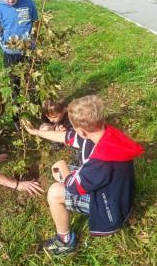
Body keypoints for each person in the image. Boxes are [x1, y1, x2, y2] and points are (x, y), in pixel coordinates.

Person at [23, 95, 144, 254]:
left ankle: (64, 241)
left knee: (54, 192)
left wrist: (62, 165)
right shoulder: (103, 133)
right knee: (62, 174)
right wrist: (36, 132)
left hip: (110, 209)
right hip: (116, 192)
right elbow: (66, 137)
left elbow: (74, 187)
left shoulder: (101, 160)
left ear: (81, 130)